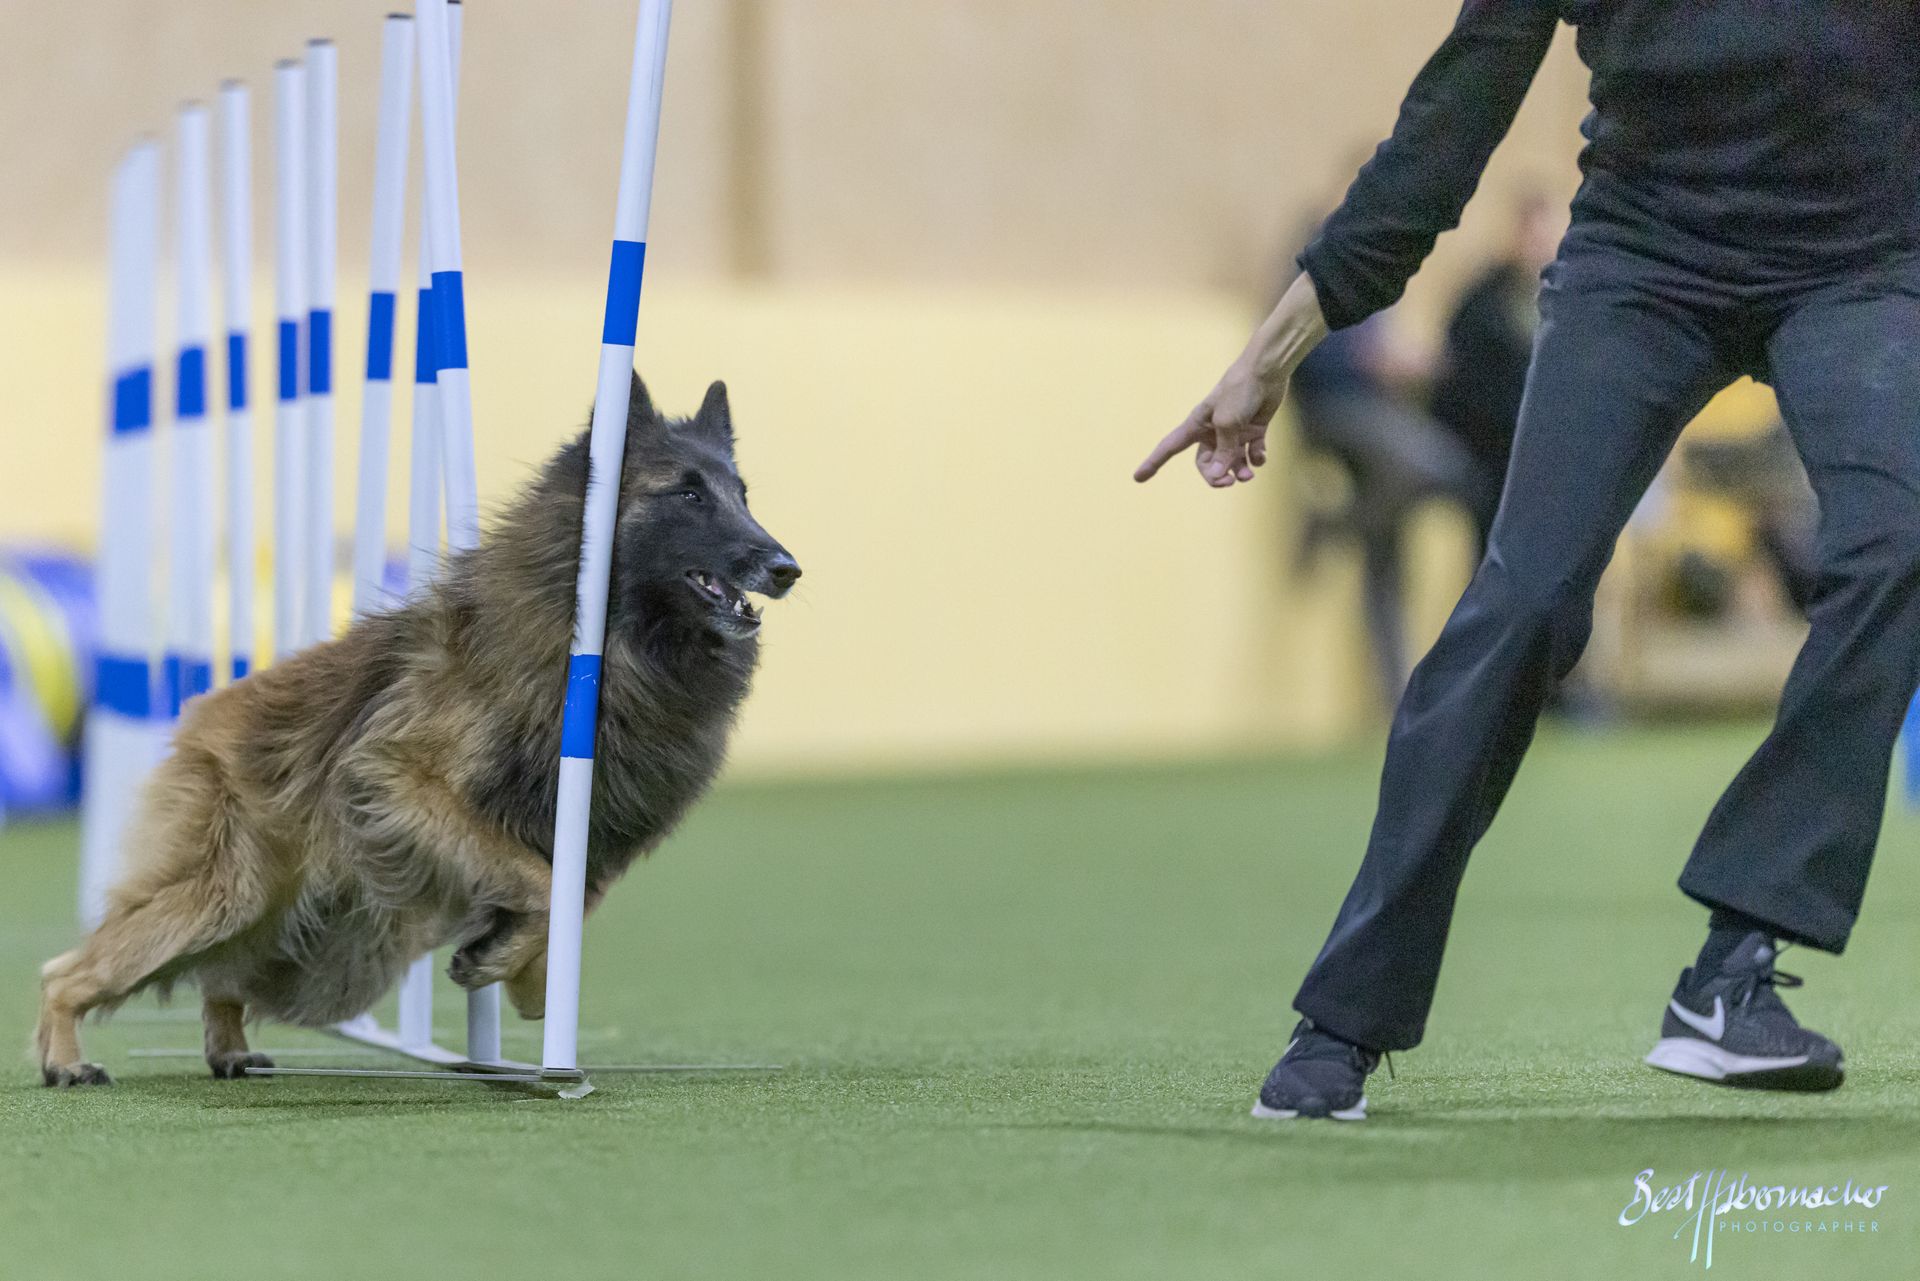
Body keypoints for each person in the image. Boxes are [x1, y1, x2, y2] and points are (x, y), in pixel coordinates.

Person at [1135, 0, 1920, 1120]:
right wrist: (1276, 353)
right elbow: (1453, 117)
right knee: (1527, 600)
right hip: (1647, 262)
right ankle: (1345, 1017)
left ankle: (1736, 966)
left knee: (1903, 543)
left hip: (1865, 262)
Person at [1289, 279, 1484, 707]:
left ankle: (1397, 699)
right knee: (1445, 467)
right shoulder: (1318, 265)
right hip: (1339, 410)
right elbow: (1306, 356)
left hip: (1379, 417)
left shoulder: (1373, 273)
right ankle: (1339, 523)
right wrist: (1378, 364)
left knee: (1385, 557)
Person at [1429, 192, 1563, 560]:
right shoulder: (1485, 299)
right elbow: (1464, 378)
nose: (1539, 243)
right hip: (1483, 448)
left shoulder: (1559, 301)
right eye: (1532, 233)